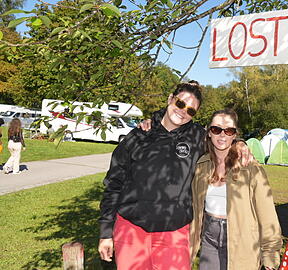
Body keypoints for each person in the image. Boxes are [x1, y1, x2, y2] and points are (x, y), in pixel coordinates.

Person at [98, 82, 252, 270]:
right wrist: (106, 232)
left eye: (191, 110)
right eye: (180, 104)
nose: (183, 111)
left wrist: (239, 143)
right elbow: (114, 184)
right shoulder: (138, 135)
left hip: (173, 232)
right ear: (171, 99)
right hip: (131, 229)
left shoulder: (197, 137)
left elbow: (221, 139)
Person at [189, 109, 282, 270]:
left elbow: (267, 215)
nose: (222, 135)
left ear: (235, 134)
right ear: (209, 132)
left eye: (229, 130)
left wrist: (270, 255)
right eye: (216, 129)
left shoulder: (250, 168)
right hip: (209, 237)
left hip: (242, 239)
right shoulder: (201, 166)